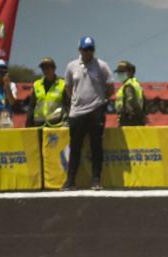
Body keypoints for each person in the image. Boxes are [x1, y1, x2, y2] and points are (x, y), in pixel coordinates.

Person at [64, 36, 111, 191]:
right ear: (80, 50)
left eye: (91, 49)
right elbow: (68, 87)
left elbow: (110, 87)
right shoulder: (71, 66)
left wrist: (101, 101)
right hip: (77, 112)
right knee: (75, 146)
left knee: (96, 146)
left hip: (96, 110)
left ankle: (96, 180)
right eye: (85, 49)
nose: (88, 52)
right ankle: (70, 180)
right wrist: (76, 100)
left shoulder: (102, 66)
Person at [26, 57, 68, 129]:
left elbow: (67, 105)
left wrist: (67, 122)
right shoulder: (37, 85)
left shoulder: (62, 84)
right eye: (43, 68)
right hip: (39, 125)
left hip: (57, 125)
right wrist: (28, 123)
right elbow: (31, 106)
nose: (45, 70)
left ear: (54, 69)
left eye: (48, 68)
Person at [113, 61, 145, 127]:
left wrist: (138, 115)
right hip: (135, 117)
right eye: (119, 72)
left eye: (122, 72)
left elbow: (131, 100)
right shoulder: (135, 83)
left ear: (130, 72)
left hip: (129, 119)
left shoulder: (128, 85)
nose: (119, 74)